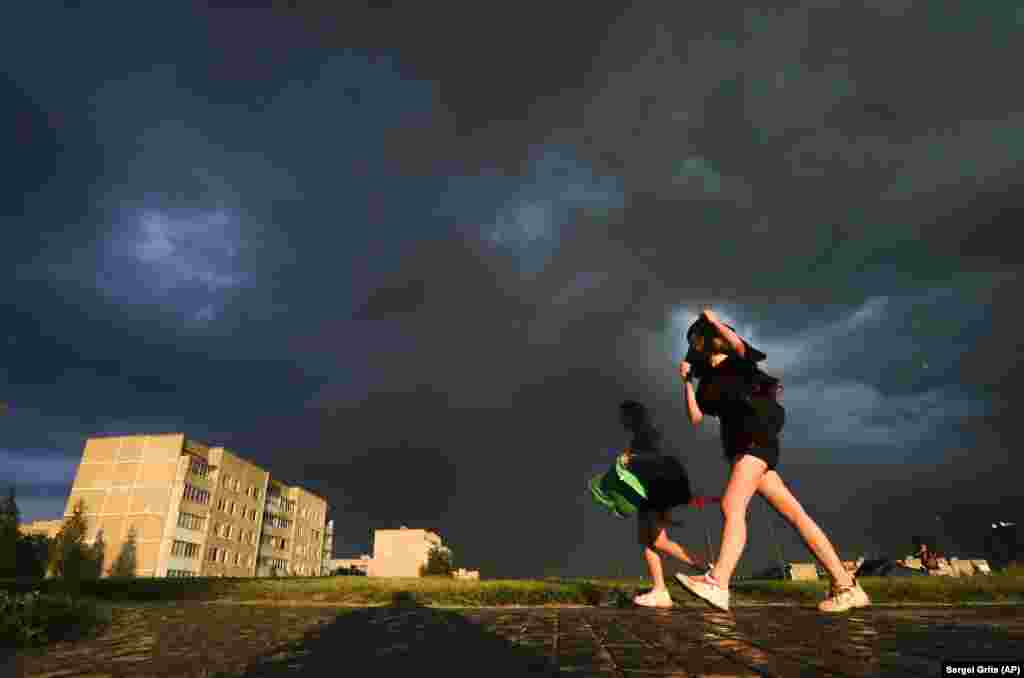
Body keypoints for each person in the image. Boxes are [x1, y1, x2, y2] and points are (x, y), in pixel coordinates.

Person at [674, 309, 870, 613]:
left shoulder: (739, 360)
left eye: (699, 336)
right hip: (740, 448)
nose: (696, 342)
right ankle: (845, 584)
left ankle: (718, 582)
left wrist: (713, 322)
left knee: (731, 505)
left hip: (758, 438)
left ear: (711, 337)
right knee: (797, 516)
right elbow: (697, 417)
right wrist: (686, 382)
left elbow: (738, 345)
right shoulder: (708, 382)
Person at [617, 400, 709, 608]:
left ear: (633, 416)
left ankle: (708, 571)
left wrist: (630, 458)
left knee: (658, 541)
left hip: (656, 491)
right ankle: (660, 591)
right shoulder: (639, 435)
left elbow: (657, 459)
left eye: (624, 416)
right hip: (648, 492)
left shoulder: (647, 433)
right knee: (647, 540)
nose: (621, 420)